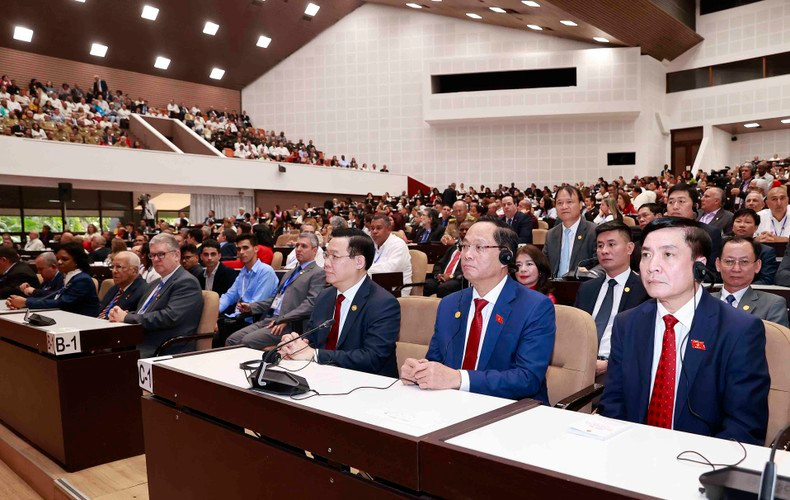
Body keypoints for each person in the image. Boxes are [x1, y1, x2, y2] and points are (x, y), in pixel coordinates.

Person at [598, 217, 770, 445]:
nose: (652, 266)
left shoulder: (739, 330)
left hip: (702, 458)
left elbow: (744, 427)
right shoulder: (627, 324)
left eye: (668, 254)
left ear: (699, 265)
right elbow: (613, 404)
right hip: (632, 449)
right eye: (646, 254)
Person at [400, 218, 555, 401]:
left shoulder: (535, 306)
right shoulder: (449, 304)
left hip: (511, 408)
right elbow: (436, 360)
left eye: (479, 247)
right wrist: (420, 371)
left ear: (505, 256)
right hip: (452, 403)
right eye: (464, 246)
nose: (467, 255)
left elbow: (527, 379)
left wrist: (459, 379)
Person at [277, 228, 401, 377]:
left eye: (334, 257)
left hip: (368, 384)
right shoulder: (324, 296)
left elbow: (372, 358)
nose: (326, 263)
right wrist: (296, 346)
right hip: (324, 377)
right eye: (326, 255)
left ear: (359, 262)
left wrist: (314, 355)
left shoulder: (383, 304)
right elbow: (313, 340)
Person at [573, 221, 649, 380]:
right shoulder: (587, 288)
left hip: (621, 370)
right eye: (600, 246)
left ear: (629, 248)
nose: (604, 251)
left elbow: (645, 341)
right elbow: (575, 331)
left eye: (611, 244)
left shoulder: (645, 290)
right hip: (579, 366)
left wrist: (611, 364)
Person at [108, 233, 204, 357]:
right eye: (152, 255)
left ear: (176, 255)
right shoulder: (155, 283)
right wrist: (124, 314)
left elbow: (169, 317)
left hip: (164, 347)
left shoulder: (186, 282)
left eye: (161, 254)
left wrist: (127, 318)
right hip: (139, 340)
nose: (156, 259)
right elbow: (144, 312)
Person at [227, 233, 326, 349]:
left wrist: (285, 318)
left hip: (290, 324)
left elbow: (310, 304)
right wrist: (252, 307)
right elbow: (275, 300)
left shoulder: (318, 273)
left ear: (314, 250)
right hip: (271, 319)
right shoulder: (290, 273)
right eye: (297, 245)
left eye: (303, 246)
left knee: (246, 341)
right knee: (232, 340)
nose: (298, 249)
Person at [214, 234, 278, 347]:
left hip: (256, 320)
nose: (241, 252)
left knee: (217, 336)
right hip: (239, 318)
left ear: (256, 249)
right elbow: (229, 296)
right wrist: (213, 312)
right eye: (239, 249)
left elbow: (256, 304)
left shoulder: (266, 271)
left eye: (245, 248)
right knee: (209, 329)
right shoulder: (243, 272)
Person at [6, 242, 99, 317]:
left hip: (84, 322)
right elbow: (54, 296)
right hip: (68, 317)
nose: (59, 262)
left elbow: (62, 303)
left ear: (77, 261)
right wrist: (19, 301)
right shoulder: (68, 276)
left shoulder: (82, 280)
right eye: (58, 259)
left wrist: (26, 302)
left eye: (64, 259)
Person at [713, 236, 788, 327]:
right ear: (718, 264)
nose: (736, 269)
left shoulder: (772, 304)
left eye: (744, 262)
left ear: (757, 266)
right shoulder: (702, 301)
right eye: (729, 261)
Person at [665, 183, 721, 280]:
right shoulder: (658, 233)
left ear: (695, 206)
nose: (675, 207)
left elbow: (711, 274)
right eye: (671, 202)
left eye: (681, 201)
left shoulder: (709, 233)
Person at [543, 186, 597, 277]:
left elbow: (602, 264)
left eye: (569, 202)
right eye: (559, 203)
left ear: (580, 205)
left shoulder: (593, 231)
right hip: (554, 284)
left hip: (582, 284)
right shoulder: (551, 234)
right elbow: (543, 266)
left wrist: (589, 274)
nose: (564, 207)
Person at [424, 221, 472, 298]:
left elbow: (468, 268)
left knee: (443, 288)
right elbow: (439, 264)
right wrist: (438, 275)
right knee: (427, 284)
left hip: (459, 279)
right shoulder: (452, 248)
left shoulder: (472, 250)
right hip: (443, 277)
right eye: (462, 230)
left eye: (467, 229)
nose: (464, 232)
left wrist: (451, 276)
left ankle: (444, 306)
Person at [368, 214, 412, 296]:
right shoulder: (372, 244)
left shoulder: (398, 244)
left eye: (378, 228)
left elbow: (390, 269)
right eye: (372, 228)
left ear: (388, 229)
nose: (374, 231)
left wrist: (364, 270)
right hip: (377, 286)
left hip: (397, 290)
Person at [730, 208, 777, 285]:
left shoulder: (766, 251)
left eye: (747, 222)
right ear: (732, 226)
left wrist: (743, 288)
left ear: (756, 228)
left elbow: (766, 279)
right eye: (738, 221)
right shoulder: (722, 247)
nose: (742, 225)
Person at [97, 251, 146, 319]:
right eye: (112, 267)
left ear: (134, 270)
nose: (114, 271)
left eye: (119, 267)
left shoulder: (143, 291)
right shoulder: (115, 288)